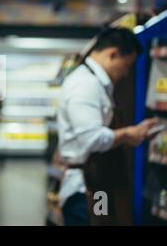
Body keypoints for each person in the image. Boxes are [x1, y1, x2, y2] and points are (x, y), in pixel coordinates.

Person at [57, 27, 159, 226]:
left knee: (102, 222)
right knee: (95, 222)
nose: (126, 73)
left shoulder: (93, 82)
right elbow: (91, 139)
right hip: (87, 189)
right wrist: (128, 134)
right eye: (127, 65)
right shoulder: (85, 85)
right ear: (113, 54)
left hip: (97, 185)